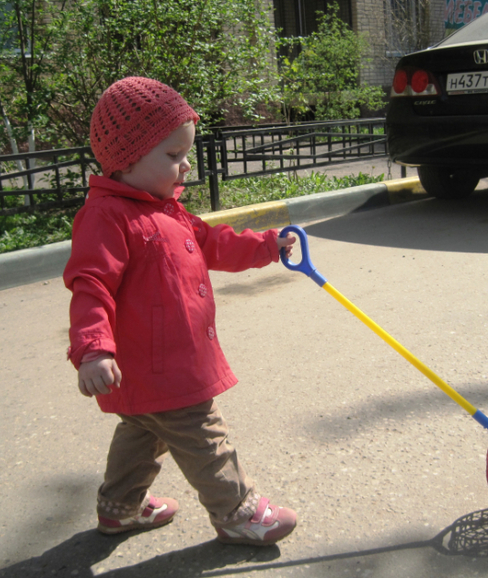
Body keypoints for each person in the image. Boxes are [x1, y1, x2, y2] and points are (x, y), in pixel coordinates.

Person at [63, 76, 297, 546]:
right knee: (204, 435)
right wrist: (93, 349)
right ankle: (237, 512)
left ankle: (120, 508)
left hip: (154, 370)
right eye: (173, 155)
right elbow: (91, 285)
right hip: (165, 367)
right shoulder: (107, 216)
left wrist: (267, 246)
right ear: (126, 159)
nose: (185, 165)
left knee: (142, 432)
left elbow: (215, 244)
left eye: (186, 153)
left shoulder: (166, 210)